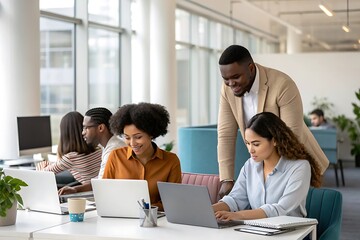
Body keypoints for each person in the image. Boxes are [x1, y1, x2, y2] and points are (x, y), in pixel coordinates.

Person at [217, 45, 329, 198]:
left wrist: (274, 177)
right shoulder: (228, 90)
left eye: (236, 77)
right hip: (264, 164)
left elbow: (291, 136)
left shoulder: (282, 84)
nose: (231, 84)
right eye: (226, 79)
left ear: (250, 68)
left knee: (298, 215)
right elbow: (225, 135)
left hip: (297, 161)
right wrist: (227, 179)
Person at [213, 112, 322, 221]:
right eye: (248, 143)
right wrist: (209, 209)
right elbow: (235, 199)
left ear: (274, 140)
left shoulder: (300, 167)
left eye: (256, 144)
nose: (250, 150)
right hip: (257, 230)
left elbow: (281, 209)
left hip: (290, 232)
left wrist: (238, 215)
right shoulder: (250, 165)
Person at [103, 102, 182, 211]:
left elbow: (173, 201)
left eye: (138, 137)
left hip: (157, 220)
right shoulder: (116, 156)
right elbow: (105, 194)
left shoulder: (171, 161)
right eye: (127, 137)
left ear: (151, 134)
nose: (132, 143)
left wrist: (147, 208)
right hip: (121, 218)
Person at [58, 107, 126, 195]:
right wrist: (75, 189)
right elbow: (100, 181)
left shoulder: (113, 150)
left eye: (86, 128)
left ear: (101, 128)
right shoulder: (108, 146)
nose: (83, 132)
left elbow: (101, 185)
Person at [36, 111, 102, 187]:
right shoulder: (98, 149)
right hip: (97, 190)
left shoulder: (71, 158)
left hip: (88, 195)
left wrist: (41, 166)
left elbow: (42, 174)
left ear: (65, 134)